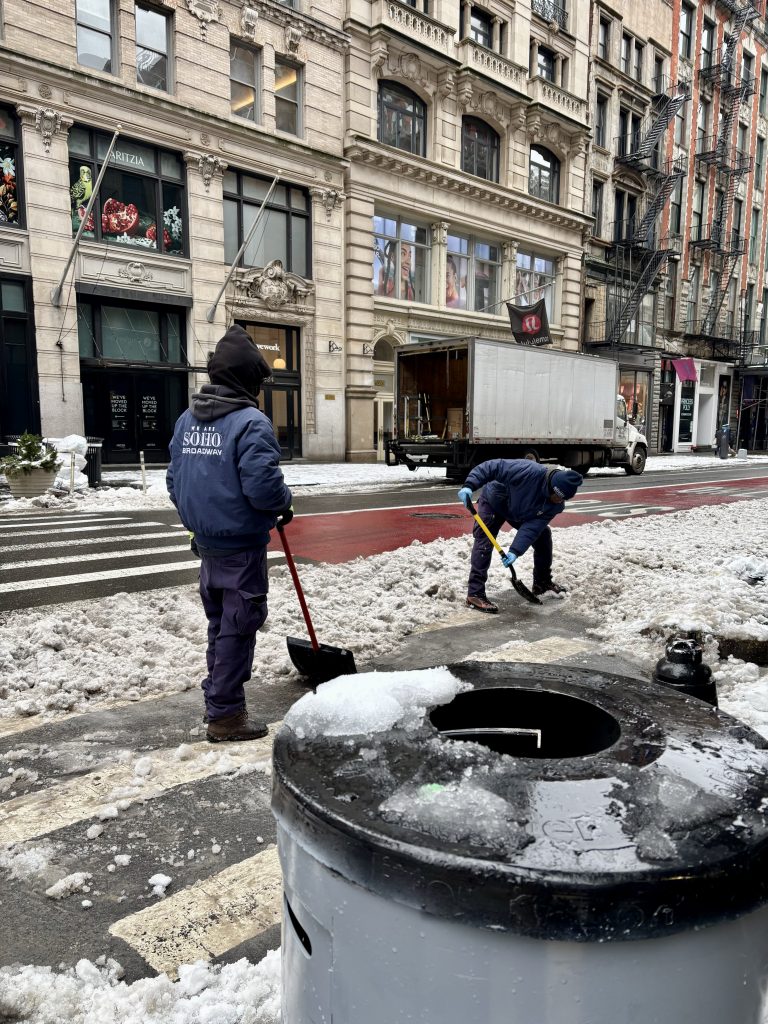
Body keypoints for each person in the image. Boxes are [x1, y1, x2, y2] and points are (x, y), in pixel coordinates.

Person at [167, 325, 292, 742]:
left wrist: (198, 516)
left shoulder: (188, 419)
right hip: (241, 548)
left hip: (207, 547)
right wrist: (283, 501)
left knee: (220, 625)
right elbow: (263, 488)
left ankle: (217, 699)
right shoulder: (250, 422)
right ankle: (225, 716)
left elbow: (174, 480)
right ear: (249, 380)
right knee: (239, 627)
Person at [458, 460, 583, 613]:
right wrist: (469, 485)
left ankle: (542, 583)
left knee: (543, 536)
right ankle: (475, 594)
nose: (558, 500)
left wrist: (515, 551)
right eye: (557, 496)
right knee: (485, 540)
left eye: (563, 499)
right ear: (551, 486)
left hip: (518, 511)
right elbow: (492, 467)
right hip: (495, 501)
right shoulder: (527, 471)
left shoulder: (555, 505)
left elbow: (532, 528)